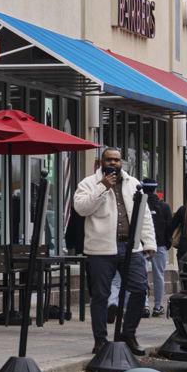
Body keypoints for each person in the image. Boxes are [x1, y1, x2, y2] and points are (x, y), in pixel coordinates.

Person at [72, 148, 156, 354]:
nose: (113, 163)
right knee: (100, 295)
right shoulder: (89, 183)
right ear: (102, 161)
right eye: (109, 159)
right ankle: (100, 340)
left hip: (130, 247)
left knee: (139, 289)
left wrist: (150, 243)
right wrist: (102, 187)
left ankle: (129, 334)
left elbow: (144, 215)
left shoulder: (133, 183)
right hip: (100, 249)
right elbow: (81, 208)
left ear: (121, 163)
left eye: (117, 160)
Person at [143, 181, 172, 313]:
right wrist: (167, 243)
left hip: (142, 245)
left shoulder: (140, 205)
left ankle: (144, 305)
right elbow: (169, 228)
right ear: (155, 190)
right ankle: (157, 305)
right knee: (159, 275)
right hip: (159, 245)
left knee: (141, 274)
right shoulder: (164, 206)